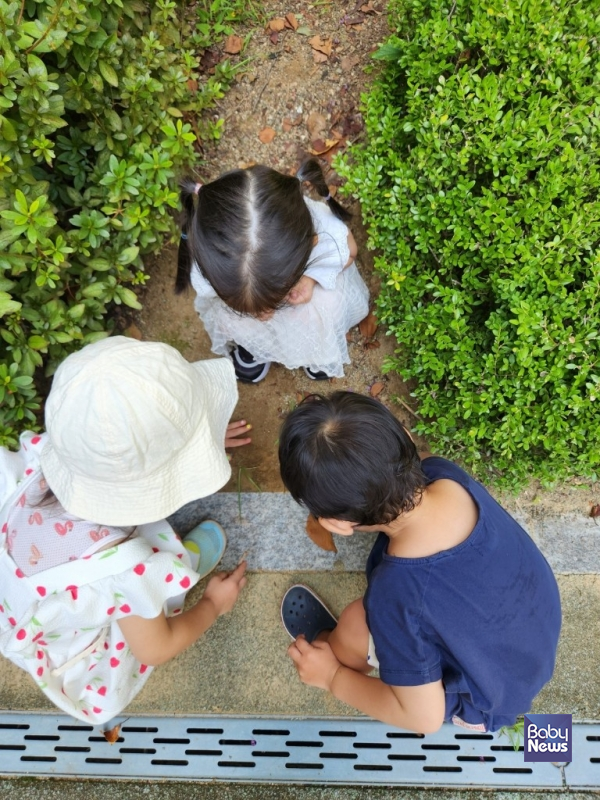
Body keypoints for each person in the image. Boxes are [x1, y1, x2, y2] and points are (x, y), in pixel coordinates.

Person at [277, 391, 562, 733]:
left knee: (356, 622)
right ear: (406, 437)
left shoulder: (397, 595)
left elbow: (423, 719)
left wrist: (333, 677)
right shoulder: (442, 474)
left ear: (338, 524)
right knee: (386, 617)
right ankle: (553, 747)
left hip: (482, 700)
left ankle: (330, 652)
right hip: (534, 640)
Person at [0, 337, 250, 725]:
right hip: (71, 628)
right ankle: (170, 580)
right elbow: (156, 648)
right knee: (139, 608)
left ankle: (166, 573)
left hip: (21, 584)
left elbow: (125, 453)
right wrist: (213, 605)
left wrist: (200, 435)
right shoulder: (120, 572)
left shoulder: (67, 447)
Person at [175, 159, 369, 382]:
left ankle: (318, 352)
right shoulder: (208, 257)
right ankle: (254, 346)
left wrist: (310, 279)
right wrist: (249, 310)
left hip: (305, 302)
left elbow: (349, 252)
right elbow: (210, 293)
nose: (266, 310)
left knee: (330, 305)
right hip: (258, 313)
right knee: (230, 318)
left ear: (311, 243)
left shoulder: (324, 229)